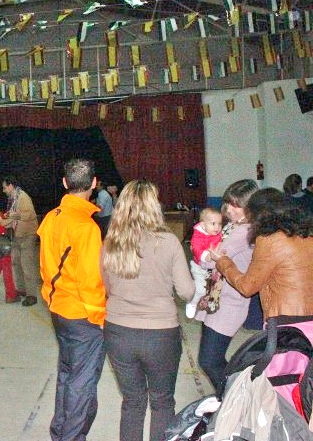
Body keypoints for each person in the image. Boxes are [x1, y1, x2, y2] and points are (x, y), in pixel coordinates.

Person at [101, 180, 195, 441]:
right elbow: (186, 292)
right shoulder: (169, 242)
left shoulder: (110, 244)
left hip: (118, 333)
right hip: (160, 335)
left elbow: (107, 287)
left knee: (132, 401)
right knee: (162, 402)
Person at [38, 158, 107, 441]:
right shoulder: (86, 227)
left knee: (67, 376)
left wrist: (50, 296)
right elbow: (91, 281)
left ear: (65, 182)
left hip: (59, 309)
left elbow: (45, 266)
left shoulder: (51, 217)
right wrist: (99, 318)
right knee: (82, 386)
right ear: (94, 184)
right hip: (82, 316)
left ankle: (59, 432)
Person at [195, 179, 258, 397]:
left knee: (209, 360)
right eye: (228, 203)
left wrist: (203, 254)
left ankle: (236, 399)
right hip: (218, 299)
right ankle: (236, 396)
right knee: (214, 358)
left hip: (229, 304)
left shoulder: (244, 231)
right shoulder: (235, 226)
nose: (230, 209)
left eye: (236, 205)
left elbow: (211, 260)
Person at [211, 188, 313, 319]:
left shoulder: (268, 240)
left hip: (286, 318)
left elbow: (247, 287)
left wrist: (222, 261)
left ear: (258, 215)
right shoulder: (307, 236)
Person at [2, 175, 40, 306]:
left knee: (26, 264)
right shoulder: (13, 199)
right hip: (19, 234)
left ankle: (32, 295)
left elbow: (30, 214)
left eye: (4, 187)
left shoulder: (23, 197)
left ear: (10, 186)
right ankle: (22, 289)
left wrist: (15, 215)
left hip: (28, 234)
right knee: (16, 261)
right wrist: (8, 217)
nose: (3, 190)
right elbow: (15, 216)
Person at [185, 208, 223, 318]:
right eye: (213, 223)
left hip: (210, 269)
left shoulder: (217, 234)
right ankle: (191, 303)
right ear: (203, 225)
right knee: (201, 290)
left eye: (219, 224)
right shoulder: (198, 236)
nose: (217, 227)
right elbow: (196, 249)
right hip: (199, 267)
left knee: (208, 289)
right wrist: (207, 256)